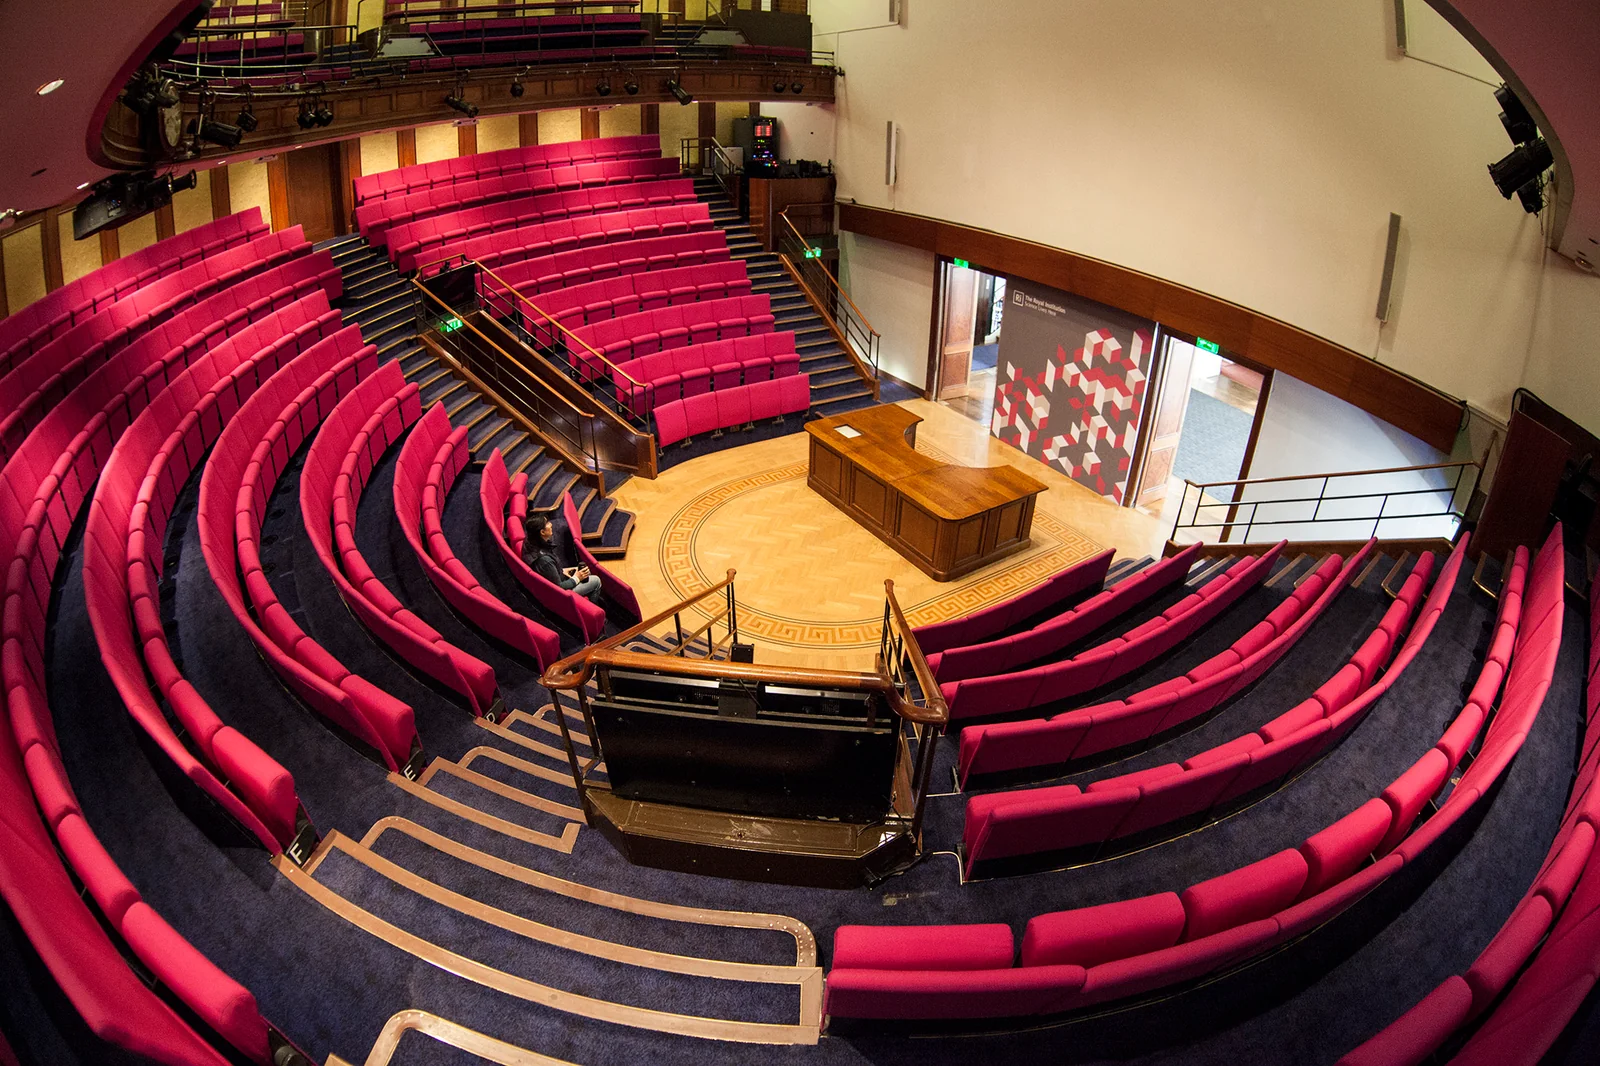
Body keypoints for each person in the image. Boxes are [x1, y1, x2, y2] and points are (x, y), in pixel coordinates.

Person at [527, 516, 603, 605]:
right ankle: (591, 608)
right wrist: (577, 578)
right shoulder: (544, 560)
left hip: (554, 578)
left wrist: (563, 571)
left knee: (585, 573)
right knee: (596, 581)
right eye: (547, 523)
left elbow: (549, 572)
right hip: (558, 595)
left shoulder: (530, 543)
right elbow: (559, 588)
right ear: (542, 532)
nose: (551, 524)